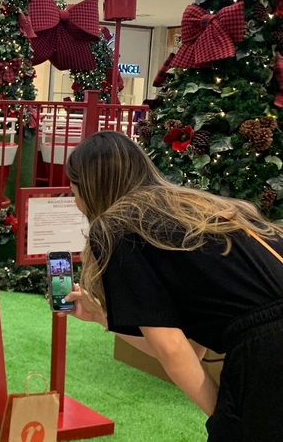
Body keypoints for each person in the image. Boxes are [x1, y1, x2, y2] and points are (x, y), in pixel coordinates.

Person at [61, 130, 283, 441]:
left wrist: (225, 421)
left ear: (90, 187)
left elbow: (173, 350)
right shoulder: (191, 206)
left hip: (267, 347)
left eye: (74, 193)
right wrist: (102, 316)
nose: (77, 204)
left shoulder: (115, 227)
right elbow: (191, 345)